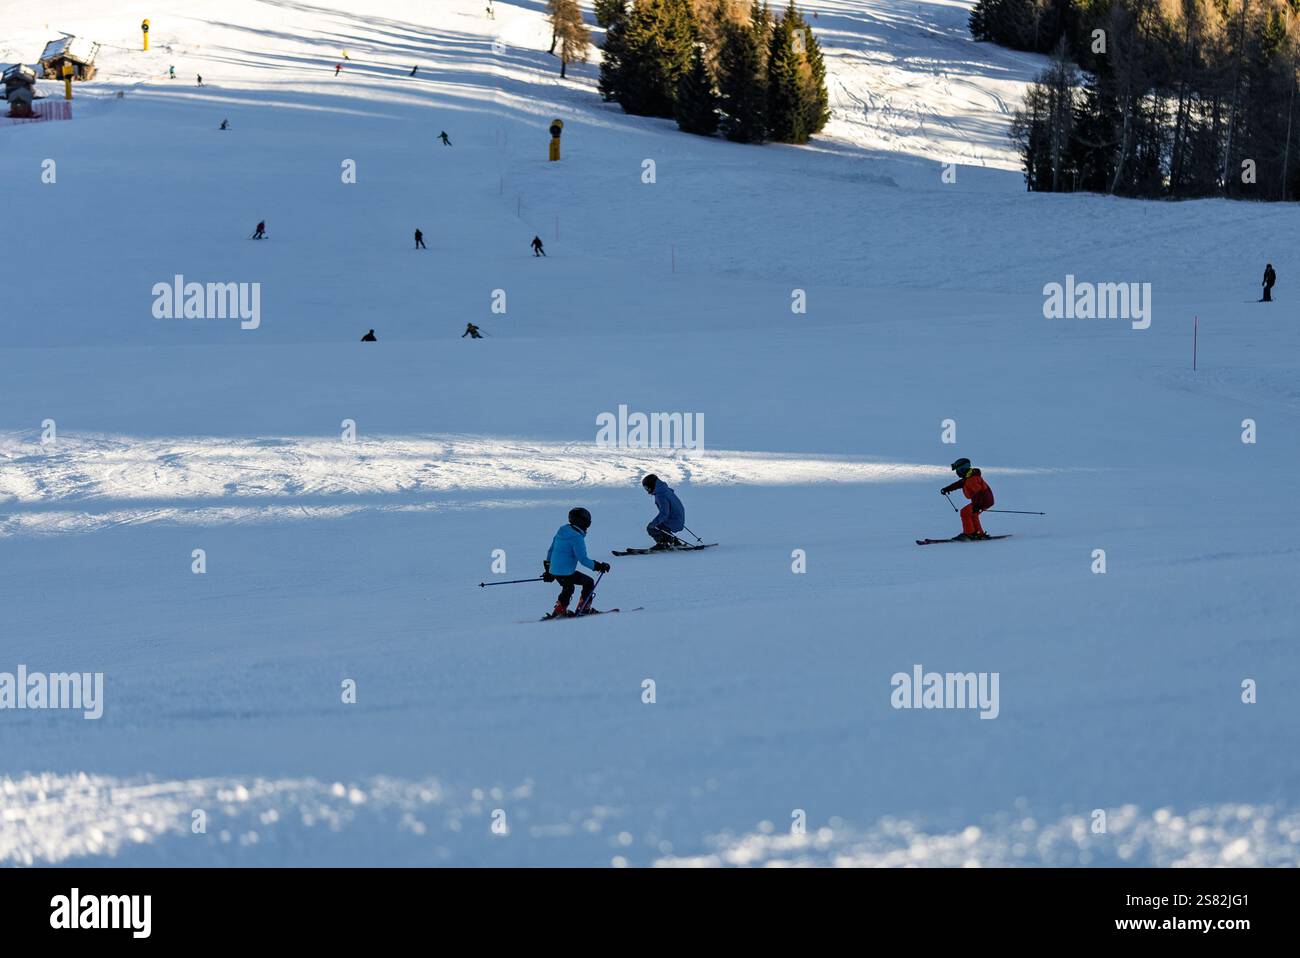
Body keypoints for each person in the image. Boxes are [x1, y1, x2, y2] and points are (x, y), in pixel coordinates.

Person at [542, 507, 610, 618]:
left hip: (555, 570)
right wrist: (599, 566)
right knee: (588, 582)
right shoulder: (577, 538)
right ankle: (583, 609)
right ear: (583, 522)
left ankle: (559, 611)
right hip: (566, 572)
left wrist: (549, 570)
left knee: (568, 588)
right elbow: (583, 559)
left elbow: (551, 550)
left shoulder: (562, 530)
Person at [940, 457, 994, 541]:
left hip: (981, 500)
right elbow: (959, 484)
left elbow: (979, 493)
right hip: (983, 501)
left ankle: (969, 534)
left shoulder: (972, 479)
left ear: (963, 469)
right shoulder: (968, 477)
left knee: (965, 512)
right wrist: (947, 489)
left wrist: (976, 505)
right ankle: (979, 533)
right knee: (972, 514)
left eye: (958, 470)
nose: (957, 473)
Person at [642, 474, 685, 548]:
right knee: (661, 526)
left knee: (651, 528)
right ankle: (674, 541)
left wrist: (653, 523)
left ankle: (662, 543)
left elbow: (664, 513)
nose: (647, 490)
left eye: (647, 488)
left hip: (673, 520)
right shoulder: (664, 489)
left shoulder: (660, 495)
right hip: (678, 518)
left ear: (652, 485)